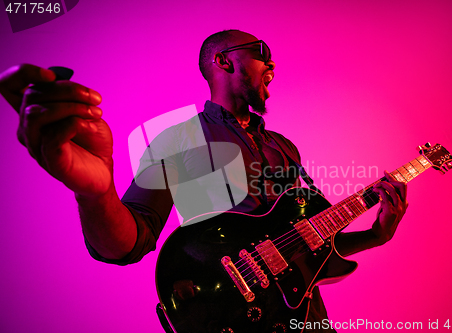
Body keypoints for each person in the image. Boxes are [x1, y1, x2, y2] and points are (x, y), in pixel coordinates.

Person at [0, 30, 408, 332]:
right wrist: (96, 192)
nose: (273, 65)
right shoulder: (179, 140)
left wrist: (376, 234)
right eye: (261, 53)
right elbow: (129, 242)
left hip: (308, 320)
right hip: (230, 318)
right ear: (223, 62)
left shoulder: (285, 147)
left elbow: (310, 246)